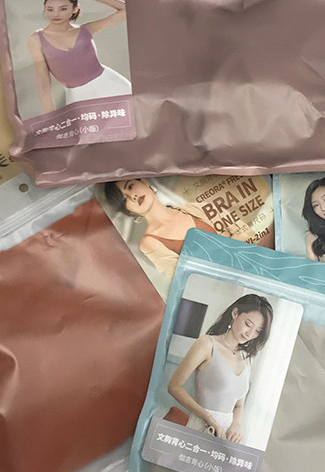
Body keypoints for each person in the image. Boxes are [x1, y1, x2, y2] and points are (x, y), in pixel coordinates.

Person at [167, 294, 273, 444]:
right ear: (235, 313)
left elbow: (238, 404)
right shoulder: (207, 344)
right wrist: (208, 418)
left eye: (257, 331)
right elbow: (174, 387)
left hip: (227, 437)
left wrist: (236, 425)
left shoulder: (247, 358)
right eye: (248, 324)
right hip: (203, 428)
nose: (250, 334)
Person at [27, 0, 130, 115]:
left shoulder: (85, 30)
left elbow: (126, 10)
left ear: (74, 9)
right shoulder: (36, 38)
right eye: (50, 9)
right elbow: (43, 80)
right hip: (78, 96)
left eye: (63, 9)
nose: (55, 14)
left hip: (110, 84)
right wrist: (51, 115)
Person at [103, 179, 217, 278]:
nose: (133, 196)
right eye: (125, 199)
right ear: (128, 211)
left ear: (144, 182)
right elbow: (183, 278)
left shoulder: (192, 208)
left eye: (130, 186)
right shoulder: (149, 243)